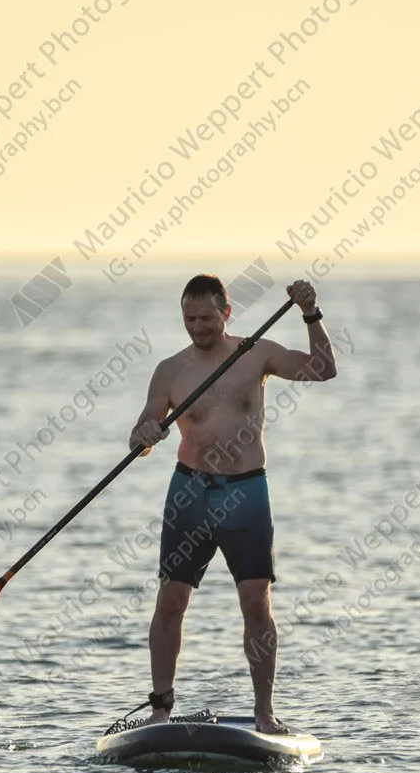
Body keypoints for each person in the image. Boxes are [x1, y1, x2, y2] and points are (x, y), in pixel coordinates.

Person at [128, 275, 337, 733]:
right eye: (189, 319)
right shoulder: (170, 370)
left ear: (226, 312)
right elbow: (140, 437)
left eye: (206, 318)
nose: (197, 327)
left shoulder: (255, 354)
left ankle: (264, 713)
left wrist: (310, 313)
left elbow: (323, 369)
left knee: (256, 603)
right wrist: (145, 435)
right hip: (189, 493)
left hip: (246, 491)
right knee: (170, 600)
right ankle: (161, 707)